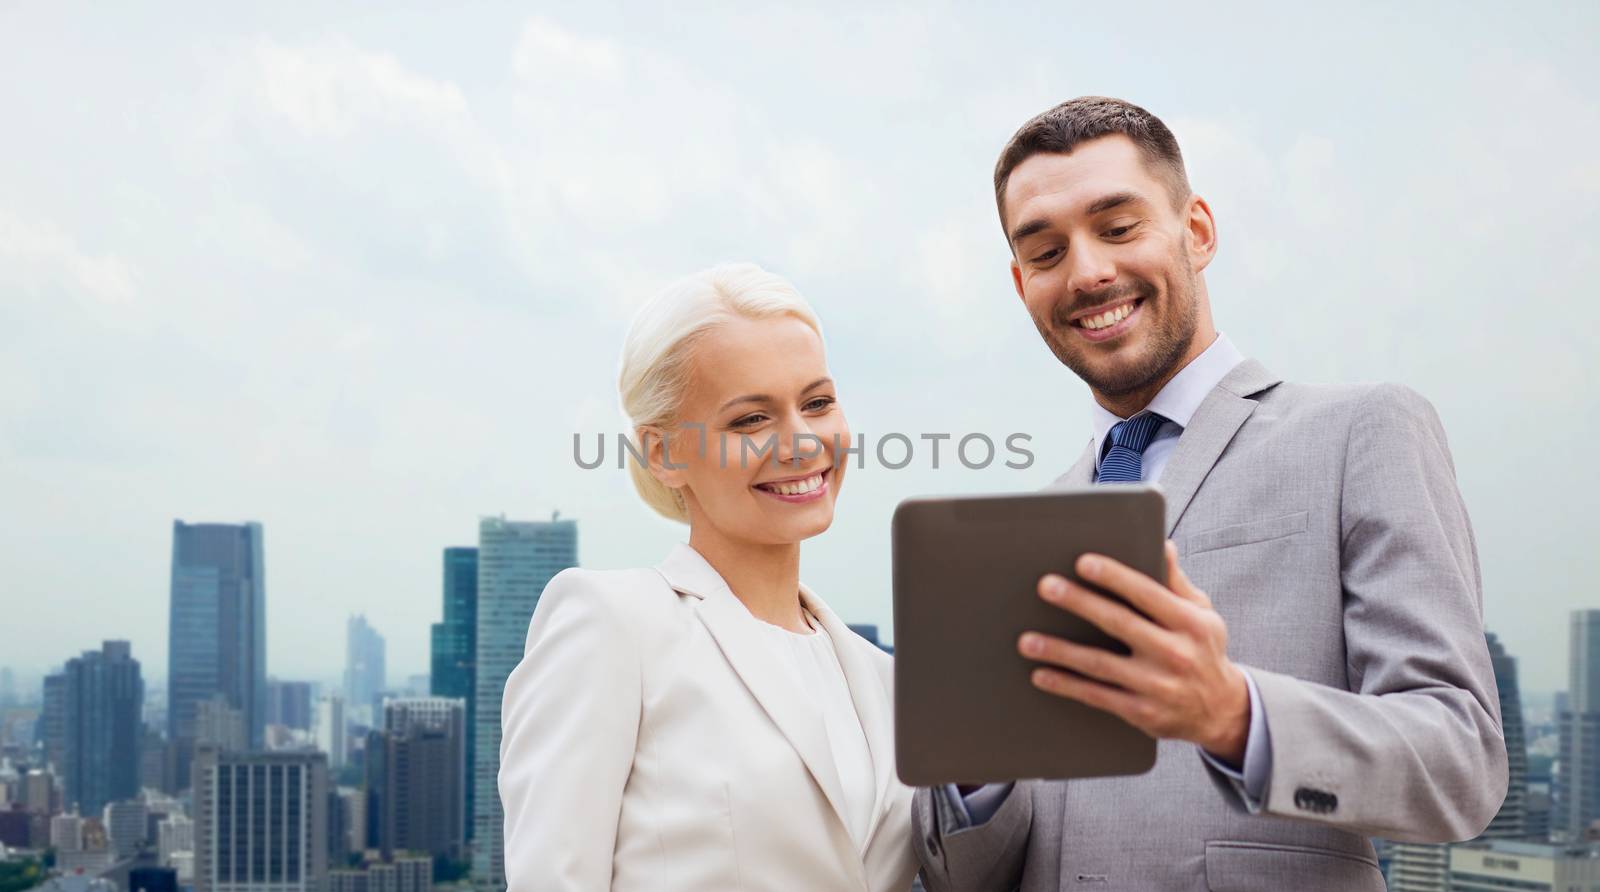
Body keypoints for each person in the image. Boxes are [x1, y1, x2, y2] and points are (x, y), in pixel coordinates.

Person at [912, 96, 1508, 891]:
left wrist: (1233, 713)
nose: (1088, 272)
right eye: (1047, 252)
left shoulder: (1360, 432)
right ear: (1023, 284)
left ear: (1197, 231)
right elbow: (970, 876)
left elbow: (1460, 763)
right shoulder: (1027, 531)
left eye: (1119, 228)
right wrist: (976, 774)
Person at [499, 263, 918, 891]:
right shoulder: (614, 628)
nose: (801, 441)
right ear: (663, 453)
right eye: (751, 420)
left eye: (818, 402)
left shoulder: (884, 682)